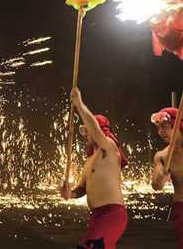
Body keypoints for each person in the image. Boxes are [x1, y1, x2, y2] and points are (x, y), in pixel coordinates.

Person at [61, 88, 128, 249]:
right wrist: (69, 194)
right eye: (83, 131)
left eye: (87, 130)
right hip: (97, 215)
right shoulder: (90, 160)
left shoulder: (109, 148)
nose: (85, 134)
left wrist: (79, 104)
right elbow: (82, 190)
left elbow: (97, 131)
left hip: (112, 214)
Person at [151, 107, 183, 248]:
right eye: (158, 128)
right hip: (181, 209)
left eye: (165, 126)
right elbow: (157, 185)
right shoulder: (162, 156)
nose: (160, 132)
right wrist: (162, 175)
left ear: (177, 125)